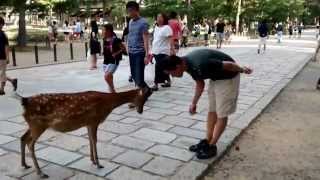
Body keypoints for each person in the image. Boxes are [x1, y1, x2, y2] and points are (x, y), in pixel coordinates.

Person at [158, 49, 253, 159]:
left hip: (229, 77)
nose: (173, 77)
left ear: (178, 66)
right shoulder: (186, 64)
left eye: (171, 73)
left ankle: (212, 145)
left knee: (222, 113)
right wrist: (194, 103)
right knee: (212, 110)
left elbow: (230, 65)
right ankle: (207, 140)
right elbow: (200, 83)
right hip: (216, 77)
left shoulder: (201, 64)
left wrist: (242, 69)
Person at [126, 1, 152, 94]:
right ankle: (147, 90)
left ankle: (140, 96)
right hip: (132, 52)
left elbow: (146, 39)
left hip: (140, 53)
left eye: (131, 11)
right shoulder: (130, 22)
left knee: (139, 76)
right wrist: (127, 47)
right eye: (128, 11)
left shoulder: (143, 22)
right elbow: (130, 35)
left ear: (137, 10)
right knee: (133, 75)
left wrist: (146, 54)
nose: (129, 13)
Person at [151, 13, 175, 91]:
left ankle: (155, 84)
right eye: (157, 17)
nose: (159, 19)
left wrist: (172, 49)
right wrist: (151, 52)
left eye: (161, 17)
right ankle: (168, 81)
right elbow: (155, 39)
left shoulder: (167, 28)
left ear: (164, 18)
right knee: (163, 67)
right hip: (155, 51)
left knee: (158, 67)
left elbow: (171, 39)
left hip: (163, 51)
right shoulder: (156, 27)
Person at [102, 24, 126, 93]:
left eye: (103, 30)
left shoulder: (116, 40)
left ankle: (113, 91)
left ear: (109, 31)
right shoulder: (104, 39)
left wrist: (116, 53)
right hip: (106, 61)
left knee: (107, 76)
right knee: (109, 77)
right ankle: (111, 91)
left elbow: (124, 49)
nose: (102, 32)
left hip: (113, 61)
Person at [0, 17, 17, 95]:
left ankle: (2, 90)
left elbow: (6, 47)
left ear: (1, 25)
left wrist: (7, 57)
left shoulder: (3, 35)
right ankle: (12, 81)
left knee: (2, 73)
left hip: (2, 57)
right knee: (1, 74)